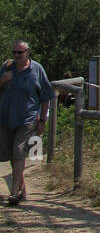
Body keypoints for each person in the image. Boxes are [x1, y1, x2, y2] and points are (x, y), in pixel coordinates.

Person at [0, 41, 54, 206]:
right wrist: (2, 81)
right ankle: (22, 189)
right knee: (9, 153)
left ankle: (13, 192)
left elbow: (46, 96)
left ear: (28, 52)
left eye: (20, 53)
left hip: (27, 118)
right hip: (5, 117)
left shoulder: (37, 70)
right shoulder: (7, 67)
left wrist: (42, 120)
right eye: (14, 52)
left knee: (19, 151)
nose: (16, 56)